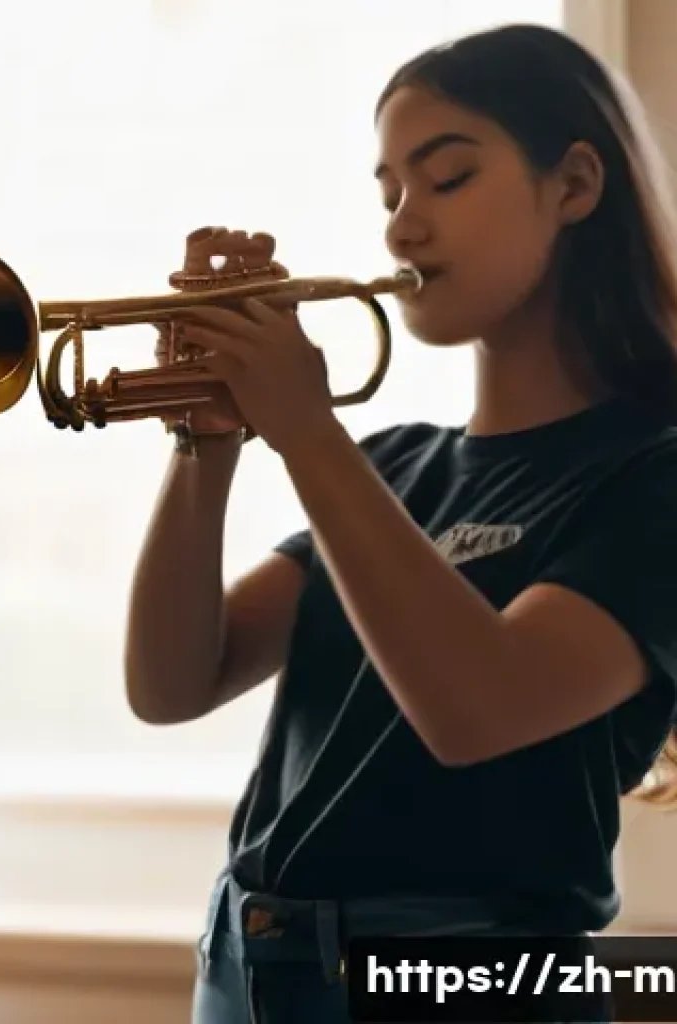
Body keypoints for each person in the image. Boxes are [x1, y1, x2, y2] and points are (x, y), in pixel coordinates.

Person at [123, 22, 677, 1024]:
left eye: (446, 178)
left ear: (576, 186)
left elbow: (477, 707)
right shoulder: (391, 469)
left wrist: (302, 429)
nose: (399, 227)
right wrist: (204, 441)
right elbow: (171, 682)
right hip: (250, 969)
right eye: (388, 193)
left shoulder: (653, 472)